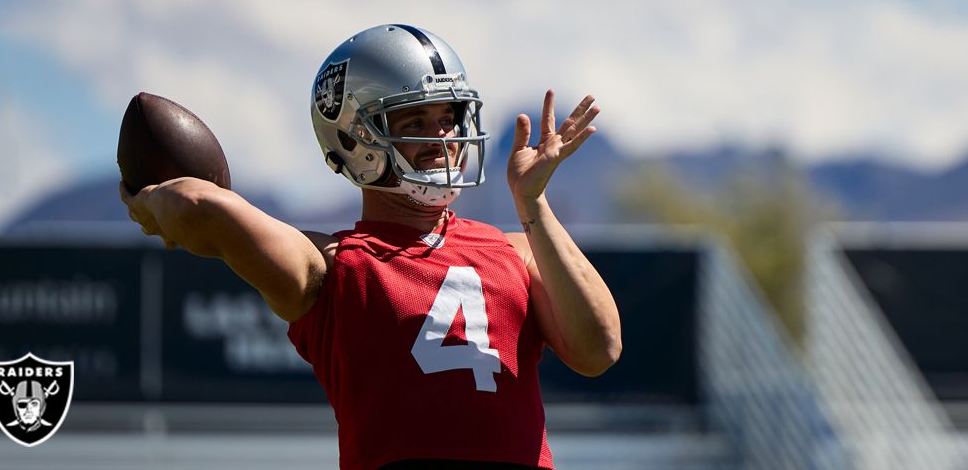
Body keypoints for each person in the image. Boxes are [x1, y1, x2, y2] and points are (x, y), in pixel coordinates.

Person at [120, 24, 622, 470]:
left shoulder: (519, 248)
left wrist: (532, 203)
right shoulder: (330, 267)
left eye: (448, 118)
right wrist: (147, 203)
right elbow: (196, 205)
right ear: (354, 139)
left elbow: (599, 349)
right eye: (413, 123)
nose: (442, 139)